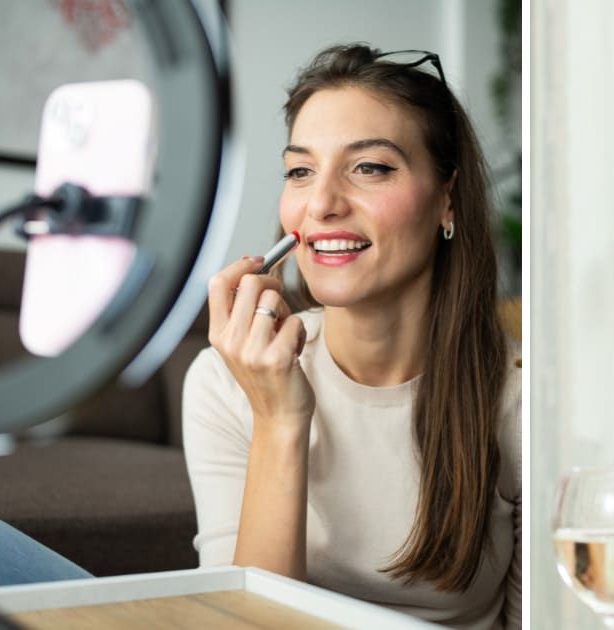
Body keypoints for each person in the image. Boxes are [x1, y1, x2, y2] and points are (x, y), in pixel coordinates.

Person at [182, 44, 521, 629]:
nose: (322, 204)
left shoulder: (521, 396)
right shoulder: (223, 382)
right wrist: (278, 420)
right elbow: (241, 624)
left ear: (446, 199)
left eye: (370, 167)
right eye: (300, 171)